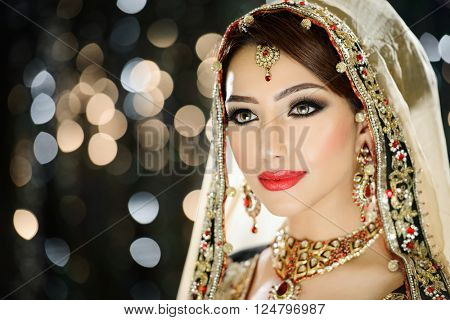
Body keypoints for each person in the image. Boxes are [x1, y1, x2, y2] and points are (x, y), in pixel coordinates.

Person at [177, 0, 450, 300]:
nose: (268, 149)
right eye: (244, 115)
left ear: (366, 123)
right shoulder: (224, 283)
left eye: (303, 108)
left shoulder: (415, 296)